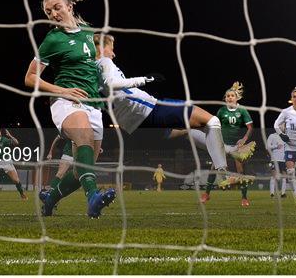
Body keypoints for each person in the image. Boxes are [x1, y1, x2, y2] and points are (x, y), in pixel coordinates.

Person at [94, 34, 254, 183]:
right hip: (148, 110)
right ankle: (223, 173)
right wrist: (145, 79)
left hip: (134, 126)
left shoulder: (90, 74)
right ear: (101, 47)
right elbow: (111, 83)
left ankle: (232, 151)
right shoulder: (104, 62)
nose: (113, 54)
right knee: (212, 120)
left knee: (188, 131)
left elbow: (99, 103)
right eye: (111, 48)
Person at [24, 0, 115, 218]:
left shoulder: (88, 33)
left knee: (81, 170)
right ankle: (93, 197)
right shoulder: (52, 40)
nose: (53, 14)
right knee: (83, 135)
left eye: (56, 8)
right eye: (48, 12)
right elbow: (30, 77)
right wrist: (62, 91)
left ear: (70, 6)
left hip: (94, 105)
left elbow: (98, 68)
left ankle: (50, 199)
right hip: (66, 103)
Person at [201, 82, 255, 207]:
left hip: (237, 146)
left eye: (232, 96)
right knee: (213, 168)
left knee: (241, 171)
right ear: (225, 98)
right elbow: (215, 125)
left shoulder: (242, 110)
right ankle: (206, 194)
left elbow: (250, 127)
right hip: (222, 144)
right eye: (228, 96)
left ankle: (244, 198)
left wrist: (244, 139)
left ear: (236, 98)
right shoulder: (221, 111)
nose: (230, 97)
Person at [266, 132, 288, 199]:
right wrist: (276, 146)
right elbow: (267, 146)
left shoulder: (286, 136)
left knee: (284, 177)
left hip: (284, 160)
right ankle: (272, 194)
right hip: (275, 159)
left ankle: (283, 194)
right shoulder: (272, 135)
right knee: (274, 176)